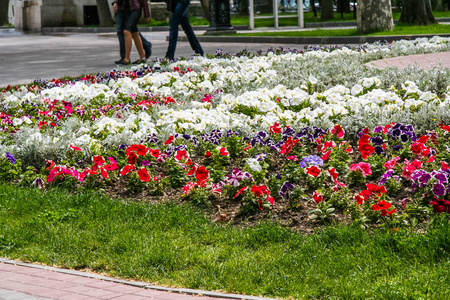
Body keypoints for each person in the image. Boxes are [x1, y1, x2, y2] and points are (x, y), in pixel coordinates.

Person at [113, 0, 151, 65]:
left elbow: (144, 1)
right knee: (135, 33)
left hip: (136, 9)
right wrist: (116, 2)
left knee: (126, 32)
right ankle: (142, 57)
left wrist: (147, 14)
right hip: (126, 10)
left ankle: (126, 59)